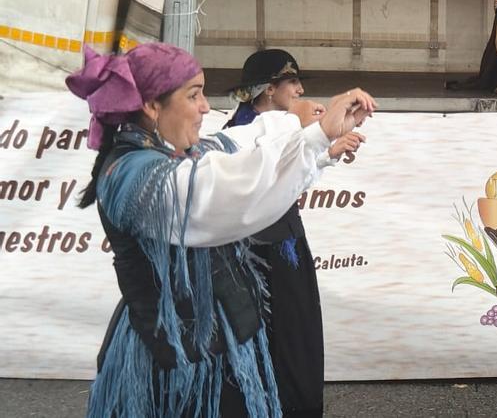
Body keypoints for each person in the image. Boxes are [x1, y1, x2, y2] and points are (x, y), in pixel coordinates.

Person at [67, 42, 376, 417]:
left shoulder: (166, 153)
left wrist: (303, 127)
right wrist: (316, 133)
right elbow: (224, 190)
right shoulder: (137, 176)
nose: (205, 107)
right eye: (193, 95)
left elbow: (238, 143)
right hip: (176, 366)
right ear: (151, 106)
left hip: (205, 349)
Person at [225, 48, 364, 418]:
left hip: (285, 246)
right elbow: (259, 188)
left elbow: (286, 183)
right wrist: (317, 144)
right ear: (269, 89)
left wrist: (325, 155)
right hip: (254, 256)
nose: (300, 89)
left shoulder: (286, 128)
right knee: (265, 338)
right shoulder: (239, 134)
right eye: (292, 81)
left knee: (295, 336)